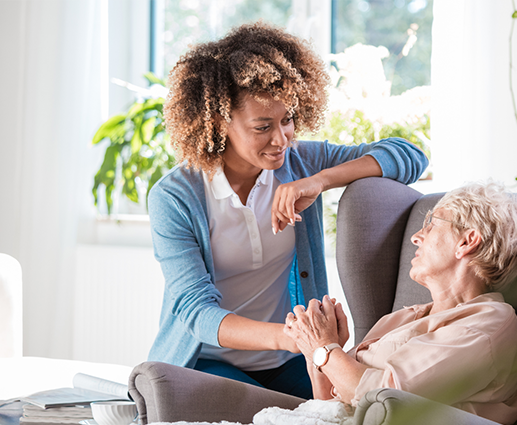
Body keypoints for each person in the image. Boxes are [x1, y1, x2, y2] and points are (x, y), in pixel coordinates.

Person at [146, 21, 428, 400]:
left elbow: (409, 156)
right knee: (270, 419)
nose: (281, 140)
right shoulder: (176, 197)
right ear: (219, 122)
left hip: (287, 360)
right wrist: (296, 337)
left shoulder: (300, 164)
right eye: (263, 127)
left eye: (288, 119)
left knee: (358, 408)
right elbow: (197, 313)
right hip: (207, 361)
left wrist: (320, 181)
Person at [284, 180, 517, 425]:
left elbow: (384, 401)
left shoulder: (487, 325)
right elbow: (327, 406)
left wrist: (324, 348)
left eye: (432, 224)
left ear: (467, 241)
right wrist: (315, 350)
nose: (416, 236)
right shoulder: (401, 318)